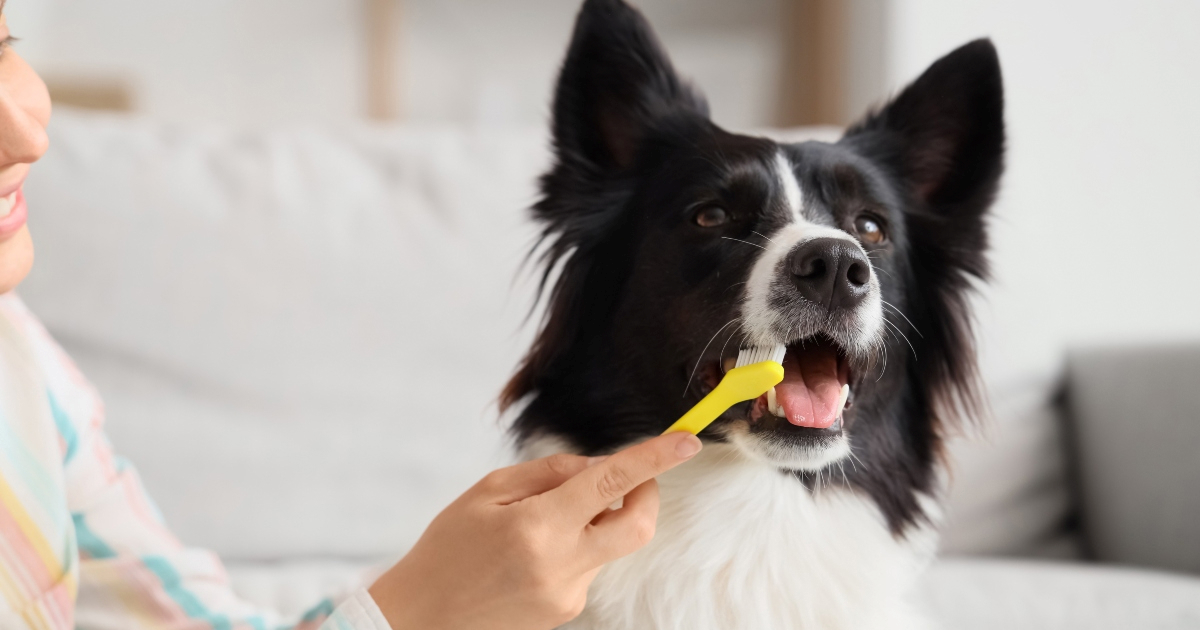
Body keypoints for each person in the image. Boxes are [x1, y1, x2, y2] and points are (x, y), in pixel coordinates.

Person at [0, 6, 703, 629]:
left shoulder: (20, 358)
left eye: (4, 42)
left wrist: (438, 586)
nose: (28, 134)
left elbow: (189, 621)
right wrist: (415, 614)